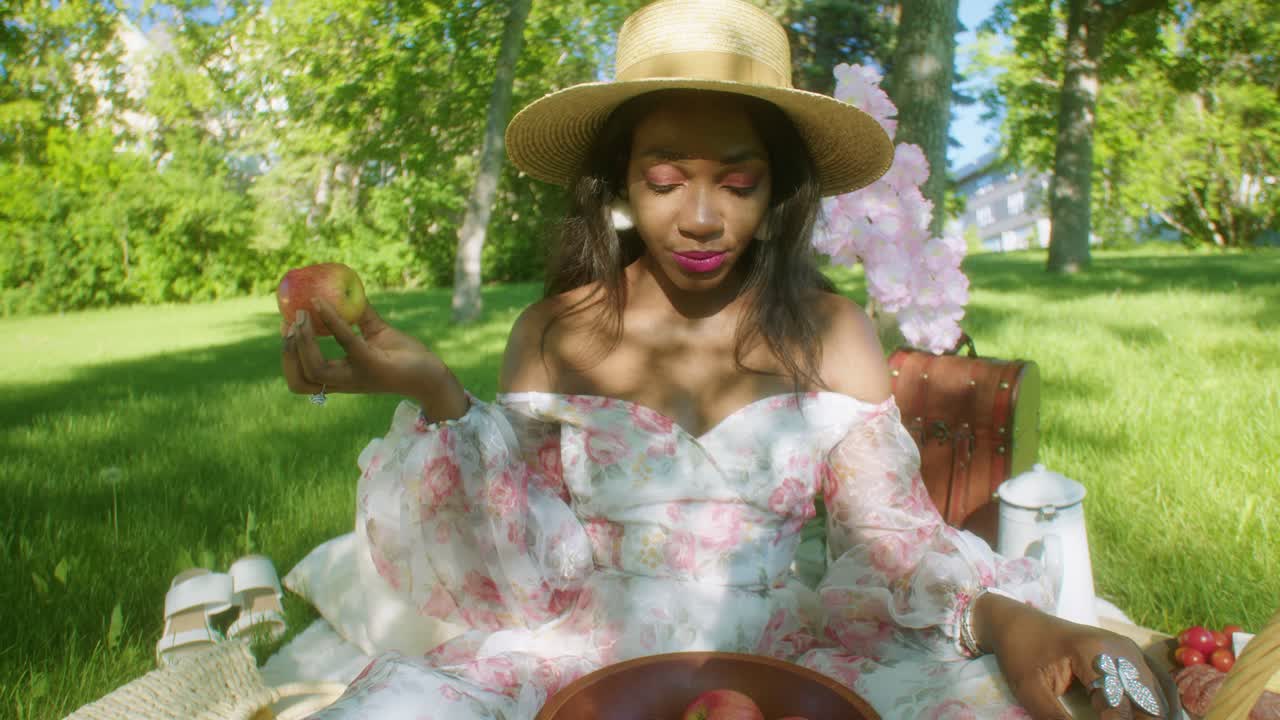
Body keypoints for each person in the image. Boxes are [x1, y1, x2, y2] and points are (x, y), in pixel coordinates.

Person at [280, 1, 1171, 718]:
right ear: (621, 185)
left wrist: (1010, 620)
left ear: (780, 189)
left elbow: (889, 543)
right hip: (581, 651)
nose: (701, 217)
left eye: (738, 181)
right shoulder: (553, 332)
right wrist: (440, 398)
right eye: (665, 180)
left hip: (783, 651)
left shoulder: (832, 331)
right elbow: (519, 570)